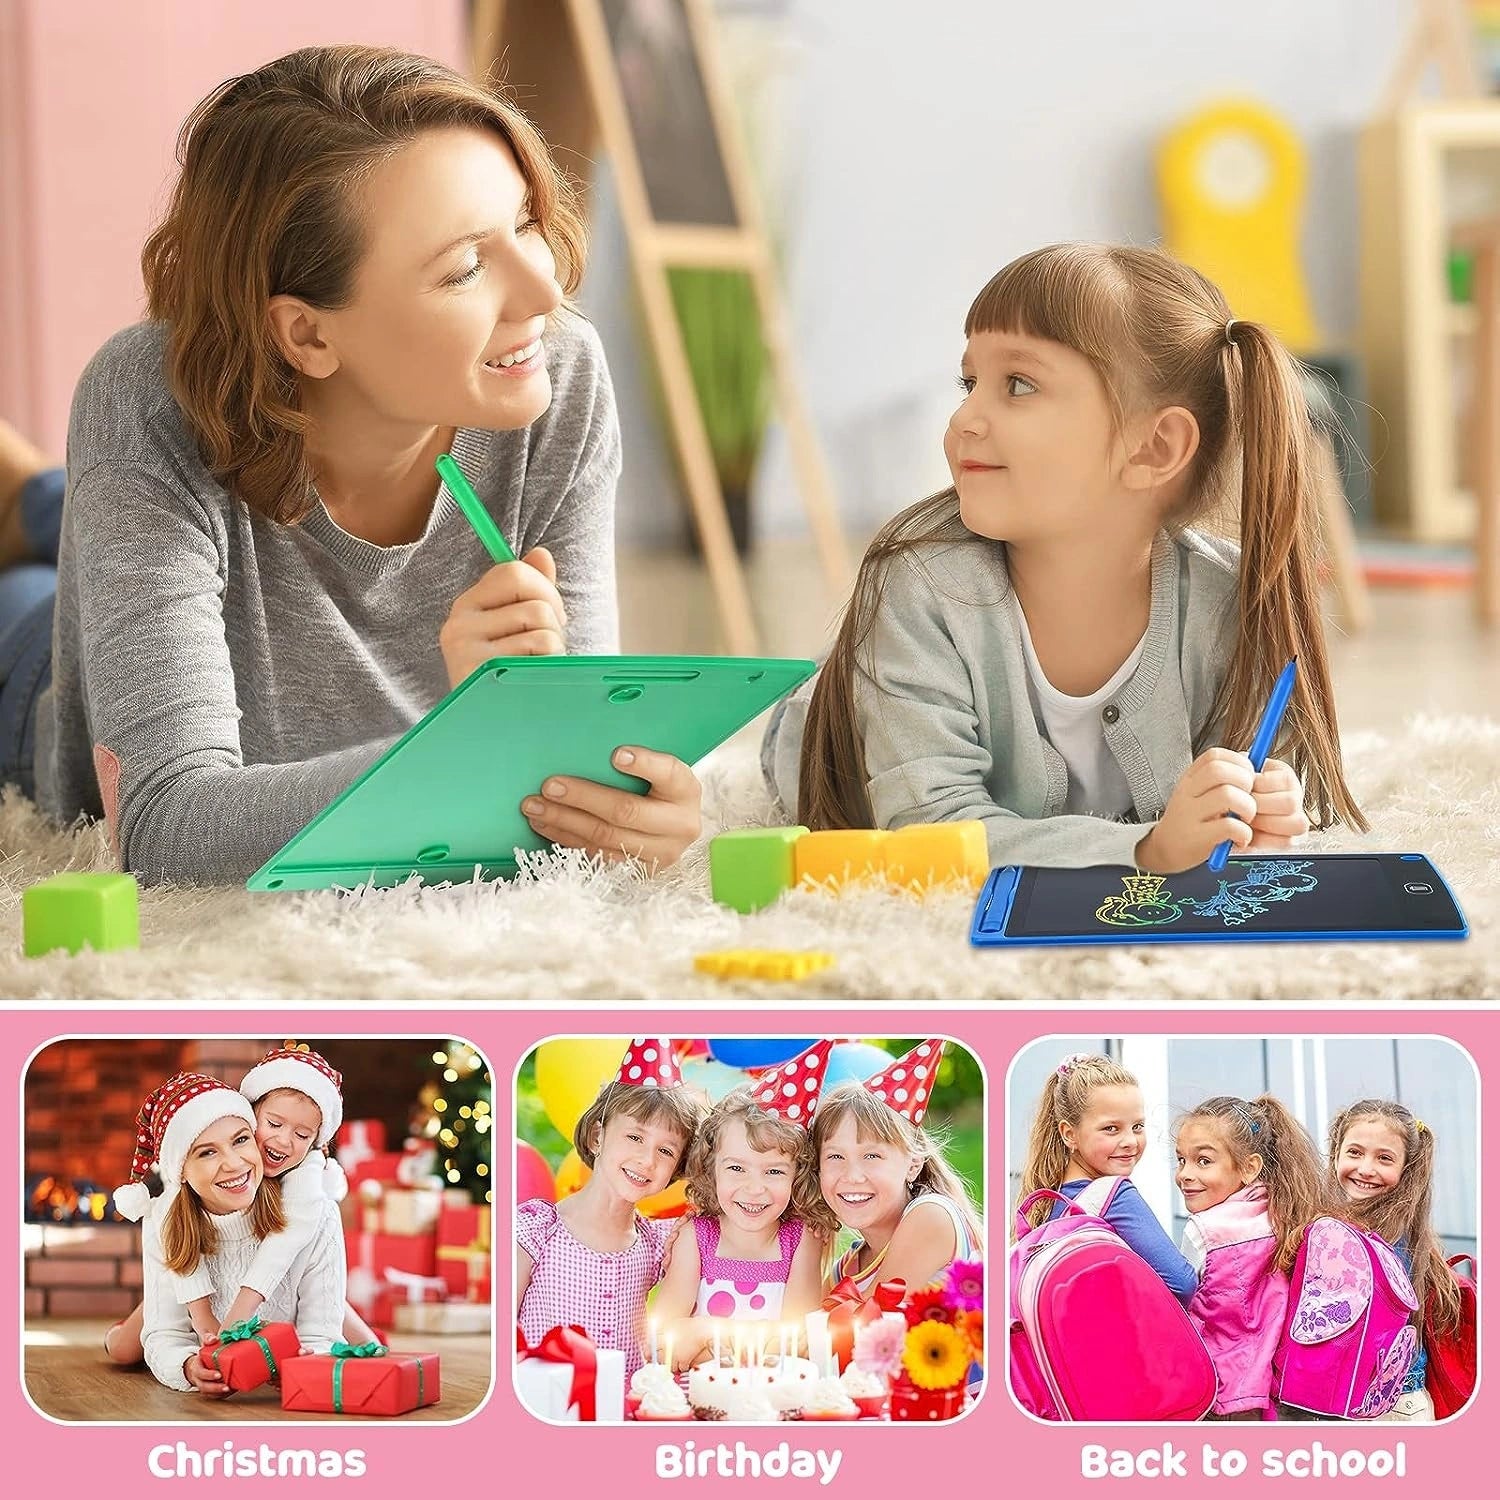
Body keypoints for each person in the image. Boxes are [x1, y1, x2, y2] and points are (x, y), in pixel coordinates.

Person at [0, 45, 701, 884]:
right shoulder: (149, 403)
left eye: (524, 225)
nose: (545, 295)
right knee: (29, 600)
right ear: (307, 334)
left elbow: (573, 755)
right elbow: (167, 829)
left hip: (170, 547)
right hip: (39, 657)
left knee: (73, 514)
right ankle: (38, 501)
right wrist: (461, 741)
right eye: (466, 268)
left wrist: (624, 803)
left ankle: (40, 493)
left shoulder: (551, 369)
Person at [765, 242, 1366, 873]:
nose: (965, 416)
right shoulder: (919, 587)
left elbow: (1235, 791)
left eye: (1017, 385)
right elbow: (931, 830)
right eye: (970, 383)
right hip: (840, 734)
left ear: (1154, 447)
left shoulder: (1225, 600)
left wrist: (1255, 809)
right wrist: (1146, 850)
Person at [105, 1043, 374, 1364]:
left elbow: (290, 1245)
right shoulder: (191, 1179)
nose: (284, 1141)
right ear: (249, 1112)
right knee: (125, 1351)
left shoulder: (306, 1183)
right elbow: (171, 1220)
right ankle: (129, 1324)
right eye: (273, 1124)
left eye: (302, 1135)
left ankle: (366, 1337)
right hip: (201, 1274)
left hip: (282, 1281)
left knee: (360, 1337)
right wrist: (203, 1320)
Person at [515, 1038, 705, 1379]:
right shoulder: (536, 1229)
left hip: (625, 1415)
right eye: (634, 1137)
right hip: (551, 1410)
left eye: (666, 1151)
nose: (647, 1160)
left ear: (676, 1167)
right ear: (597, 1136)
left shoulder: (662, 1243)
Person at [650, 1052, 836, 1370]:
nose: (754, 1188)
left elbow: (793, 1348)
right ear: (711, 1168)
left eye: (774, 1172)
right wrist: (758, 1341)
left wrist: (704, 1332)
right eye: (737, 1167)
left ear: (799, 1174)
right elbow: (666, 1346)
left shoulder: (802, 1238)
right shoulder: (697, 1236)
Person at [1174, 1093, 1329, 1420]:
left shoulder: (1204, 1231)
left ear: (1249, 1167)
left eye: (1203, 1161)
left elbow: (1178, 1312)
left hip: (1215, 1393)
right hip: (1273, 1395)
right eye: (1181, 1160)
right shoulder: (1289, 1216)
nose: (1185, 1174)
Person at [1326, 1098, 1464, 1423]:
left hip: (1391, 1406)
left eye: (1384, 1158)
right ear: (1336, 1154)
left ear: (1406, 1170)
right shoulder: (1343, 1222)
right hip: (1370, 1400)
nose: (1366, 1169)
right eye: (1355, 1152)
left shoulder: (1387, 1234)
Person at [1017, 1051, 1196, 1300]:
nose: (1130, 1141)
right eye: (1111, 1129)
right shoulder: (1114, 1195)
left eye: (1138, 1127)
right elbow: (1181, 1283)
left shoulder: (1046, 1204)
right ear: (1069, 1134)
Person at [812, 1040, 983, 1295]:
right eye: (835, 1157)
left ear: (913, 1165)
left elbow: (869, 1317)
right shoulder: (845, 1269)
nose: (853, 1176)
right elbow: (803, 1327)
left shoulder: (931, 1215)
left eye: (871, 1156)